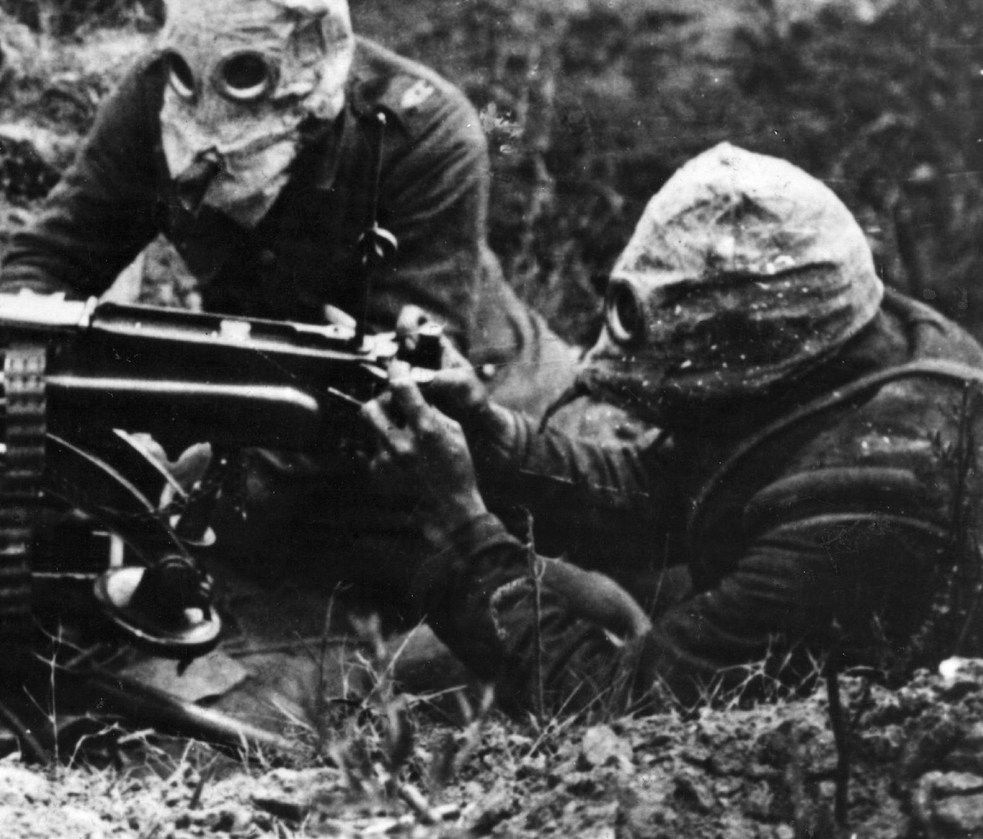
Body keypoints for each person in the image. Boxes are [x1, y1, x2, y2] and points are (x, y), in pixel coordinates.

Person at [0, 0, 576, 641]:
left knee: (505, 616)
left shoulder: (422, 134)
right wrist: (41, 404)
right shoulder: (158, 99)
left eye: (247, 72)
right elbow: (53, 256)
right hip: (278, 408)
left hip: (475, 414)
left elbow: (396, 394)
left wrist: (204, 486)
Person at [363, 143, 983, 717]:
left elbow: (617, 707)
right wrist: (495, 442)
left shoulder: (866, 510)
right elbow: (666, 488)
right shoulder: (841, 340)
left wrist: (461, 529)